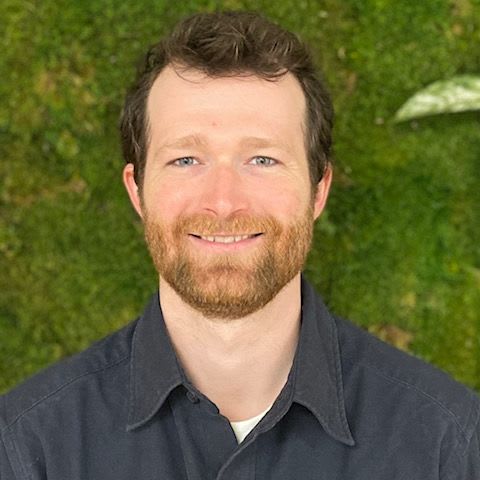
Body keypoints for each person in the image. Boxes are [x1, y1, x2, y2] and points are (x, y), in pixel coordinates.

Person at [1, 11, 478, 480]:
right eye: (186, 159)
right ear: (137, 192)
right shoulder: (26, 448)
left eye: (262, 159)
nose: (224, 202)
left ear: (318, 190)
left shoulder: (449, 445)